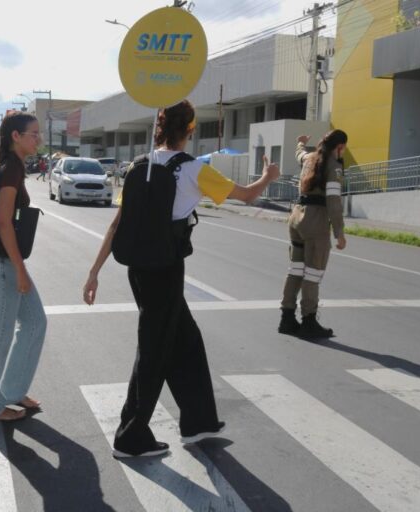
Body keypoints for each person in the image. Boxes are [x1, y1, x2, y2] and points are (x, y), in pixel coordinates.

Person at [82, 100, 280, 458]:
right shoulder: (193, 170)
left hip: (139, 269)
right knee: (154, 350)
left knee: (185, 338)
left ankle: (198, 420)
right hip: (166, 268)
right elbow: (248, 195)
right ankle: (131, 437)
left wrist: (94, 271)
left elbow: (117, 223)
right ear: (189, 131)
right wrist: (269, 176)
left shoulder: (139, 165)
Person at [0, 112, 47, 422]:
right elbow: (4, 221)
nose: (39, 139)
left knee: (35, 322)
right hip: (3, 264)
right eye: (34, 133)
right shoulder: (11, 170)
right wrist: (19, 269)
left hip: (5, 261)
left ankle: (13, 390)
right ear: (16, 136)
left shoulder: (14, 167)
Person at [278, 131, 348, 338]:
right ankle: (309, 322)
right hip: (316, 222)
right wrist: (339, 232)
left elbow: (299, 154)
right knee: (312, 274)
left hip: (296, 217)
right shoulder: (334, 166)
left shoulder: (309, 158)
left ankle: (287, 319)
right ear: (340, 147)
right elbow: (334, 202)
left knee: (296, 270)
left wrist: (300, 143)